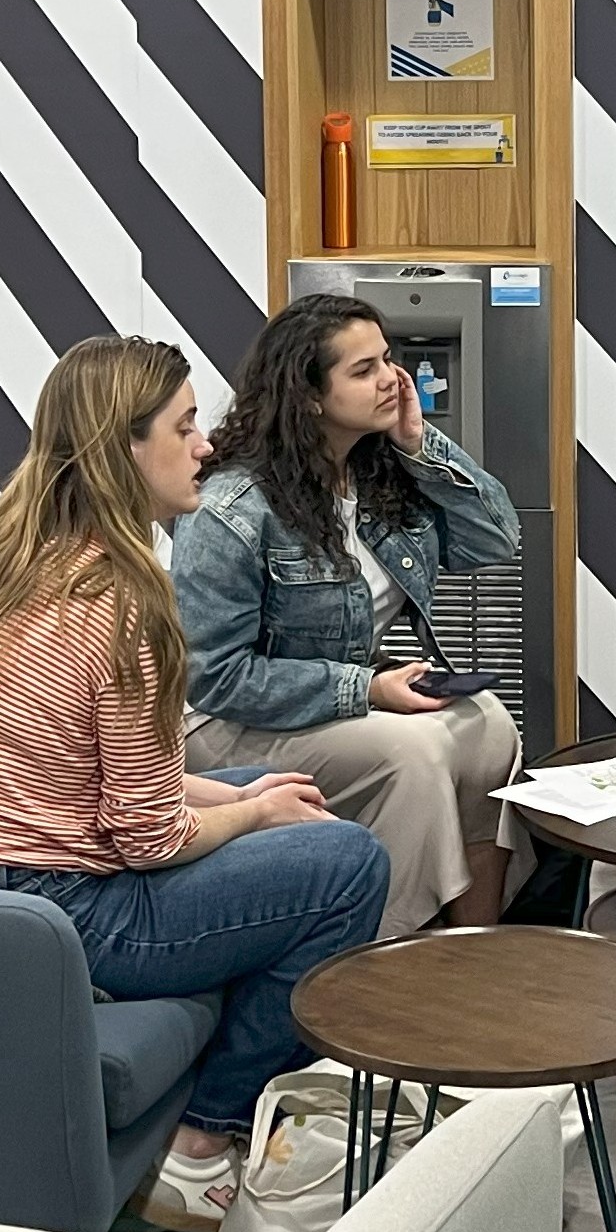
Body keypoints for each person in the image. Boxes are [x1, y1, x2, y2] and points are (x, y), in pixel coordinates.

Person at [0, 334, 389, 1232]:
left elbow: (87, 773)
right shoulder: (120, 607)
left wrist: (241, 799)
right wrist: (252, 816)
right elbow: (150, 841)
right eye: (184, 428)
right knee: (347, 864)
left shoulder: (8, 552)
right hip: (33, 905)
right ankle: (202, 1146)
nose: (205, 445)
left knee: (263, 787)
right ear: (125, 448)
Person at [173, 294, 525, 934]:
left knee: (489, 726)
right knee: (411, 753)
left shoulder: (383, 471)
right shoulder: (232, 507)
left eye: (388, 360)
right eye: (363, 370)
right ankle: (376, 954)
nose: (391, 378)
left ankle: (477, 944)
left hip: (336, 698)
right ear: (309, 395)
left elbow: (495, 540)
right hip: (226, 722)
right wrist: (367, 690)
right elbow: (215, 678)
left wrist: (419, 443)